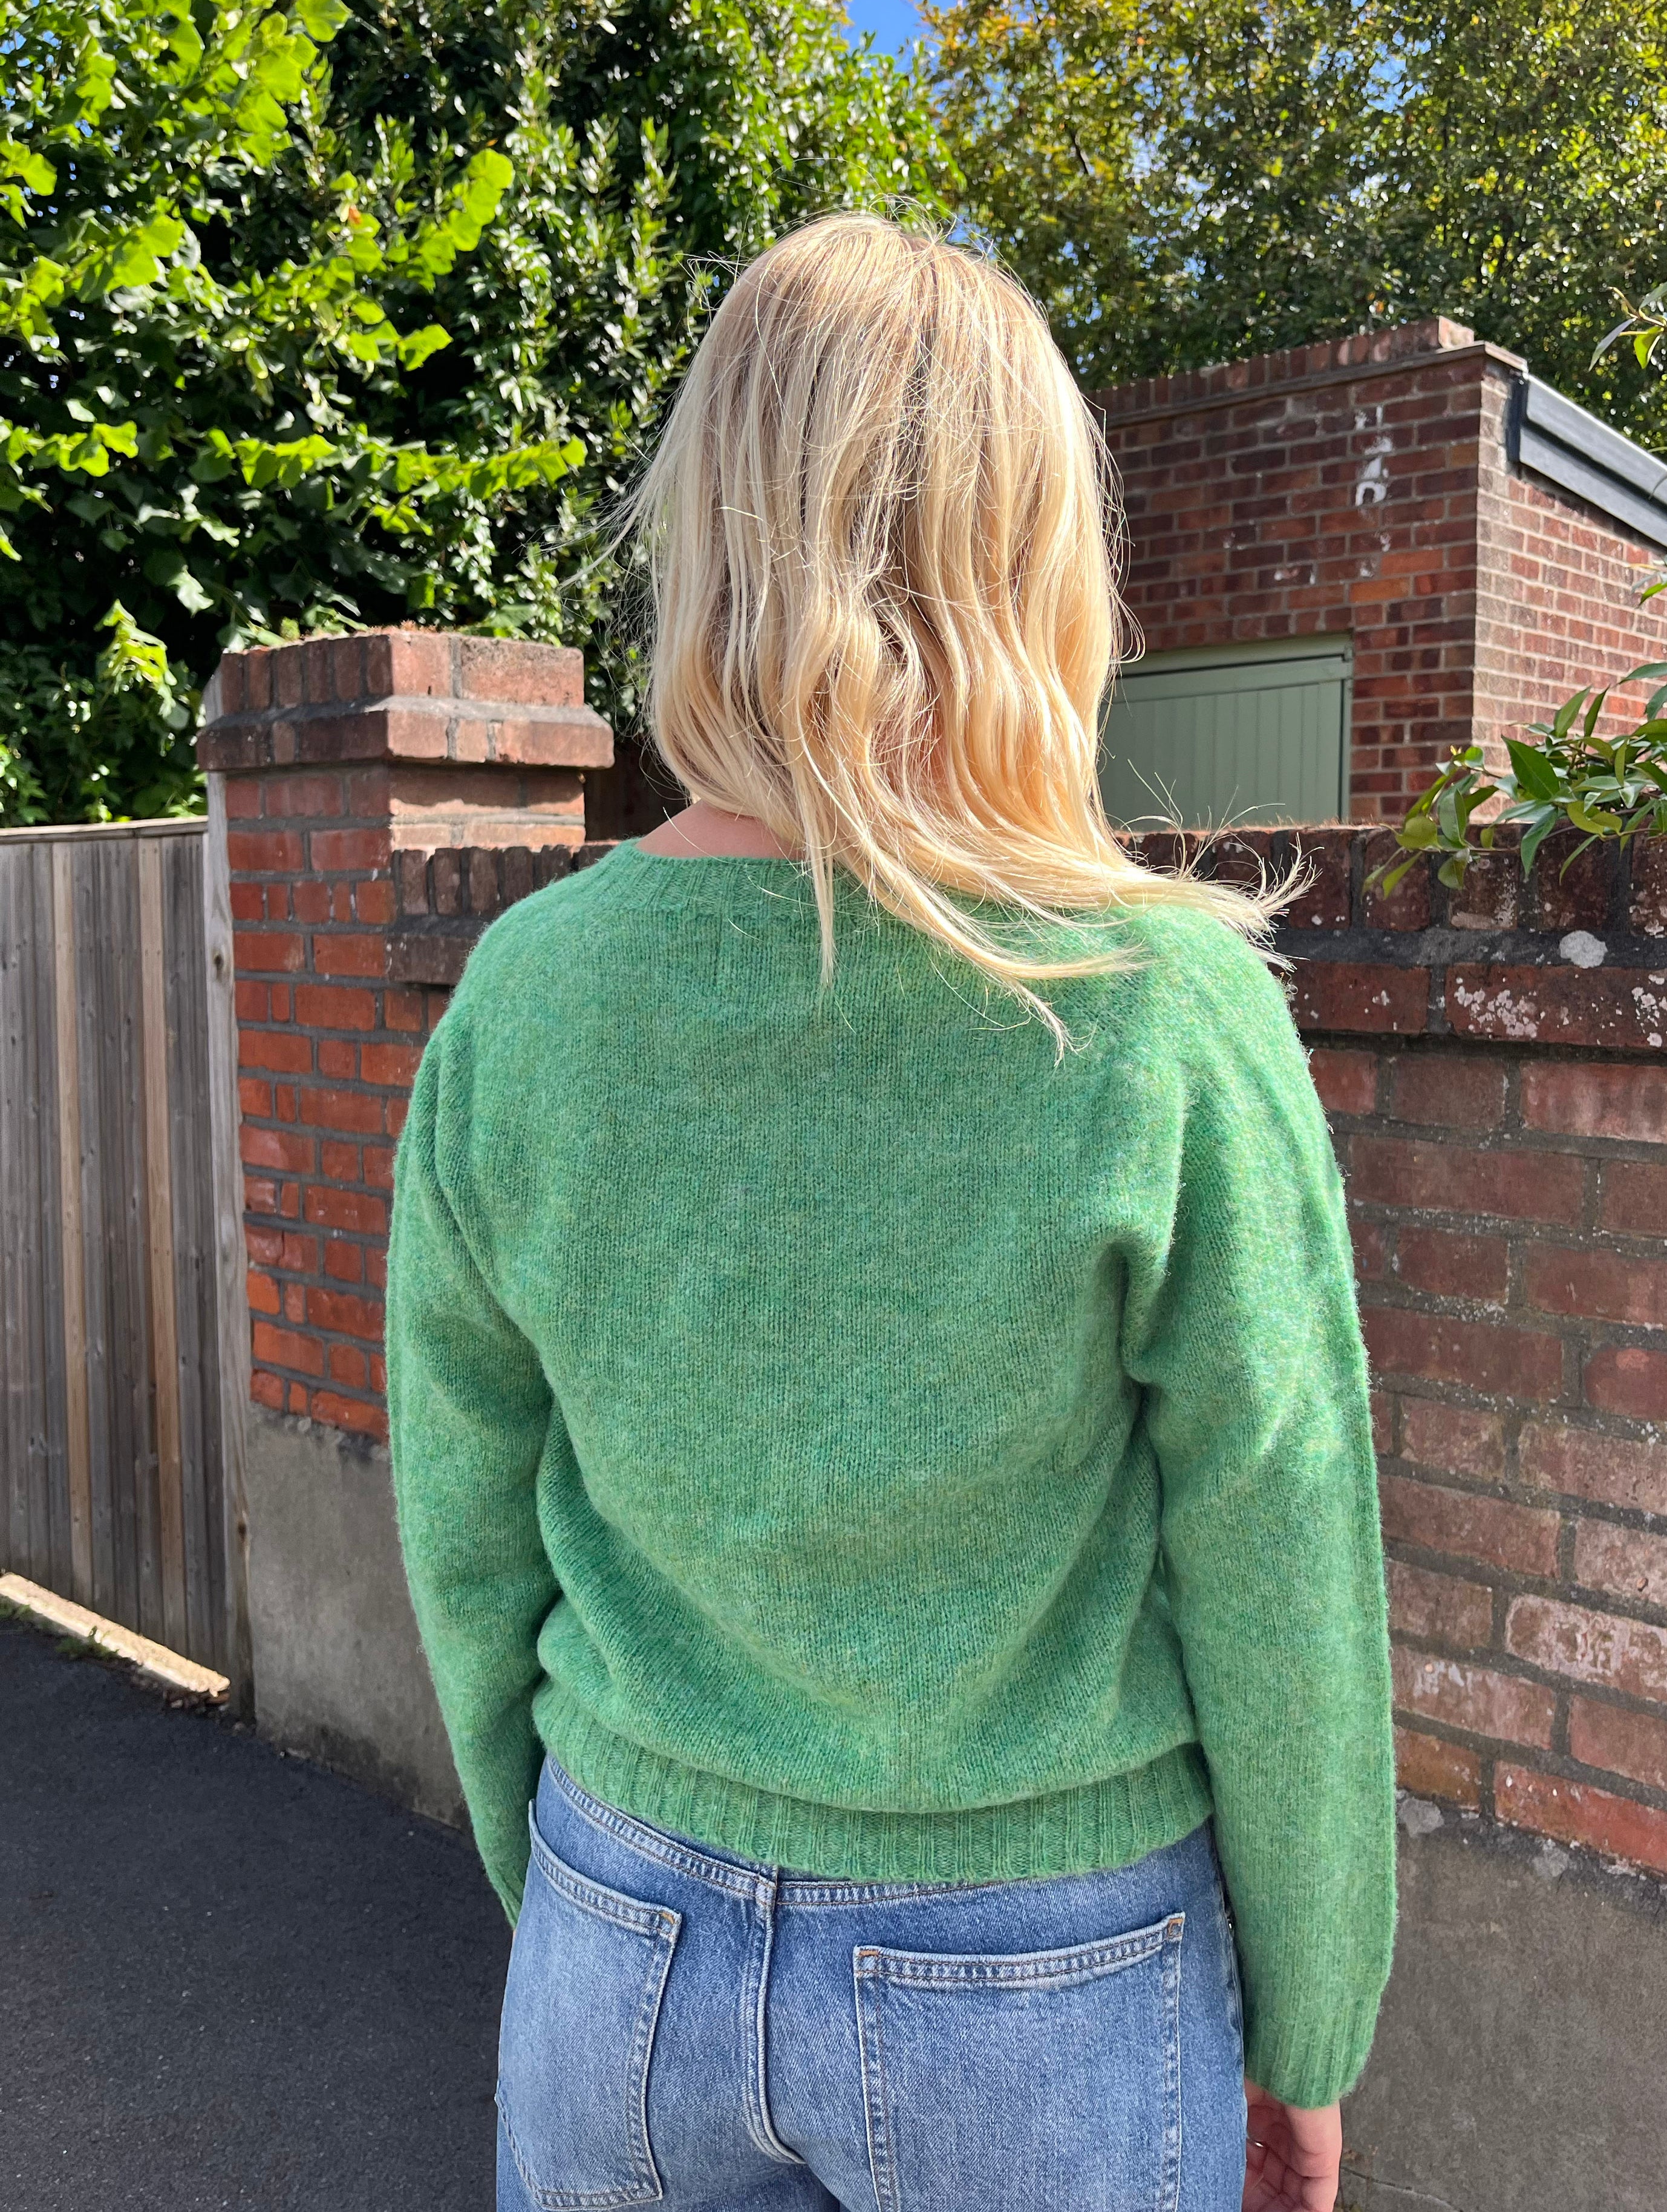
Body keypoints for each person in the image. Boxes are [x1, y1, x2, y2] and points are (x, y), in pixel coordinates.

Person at [385, 214, 1395, 2212]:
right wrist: (1313, 2024)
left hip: (624, 1930)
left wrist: (563, 1867)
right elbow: (1285, 1553)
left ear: (720, 526)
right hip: (1056, 1970)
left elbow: (463, 1510)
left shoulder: (529, 995)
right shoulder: (1158, 1011)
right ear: (1033, 559)